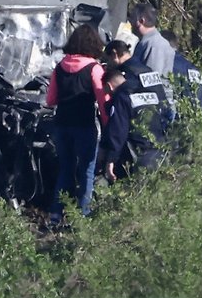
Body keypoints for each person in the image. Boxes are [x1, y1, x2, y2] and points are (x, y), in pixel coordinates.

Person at [45, 23, 107, 223]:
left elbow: (50, 100)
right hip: (84, 125)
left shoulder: (60, 67)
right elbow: (102, 99)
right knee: (87, 170)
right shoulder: (94, 68)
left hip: (62, 124)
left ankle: (56, 213)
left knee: (65, 168)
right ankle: (83, 215)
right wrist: (107, 123)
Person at [126, 3, 178, 167]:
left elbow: (150, 81)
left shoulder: (153, 45)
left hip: (154, 112)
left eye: (132, 18)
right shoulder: (149, 43)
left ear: (140, 20)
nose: (130, 22)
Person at [97, 64, 135, 182]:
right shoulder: (140, 88)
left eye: (107, 91)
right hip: (156, 148)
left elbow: (118, 130)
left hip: (132, 152)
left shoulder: (120, 97)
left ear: (109, 86)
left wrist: (111, 160)